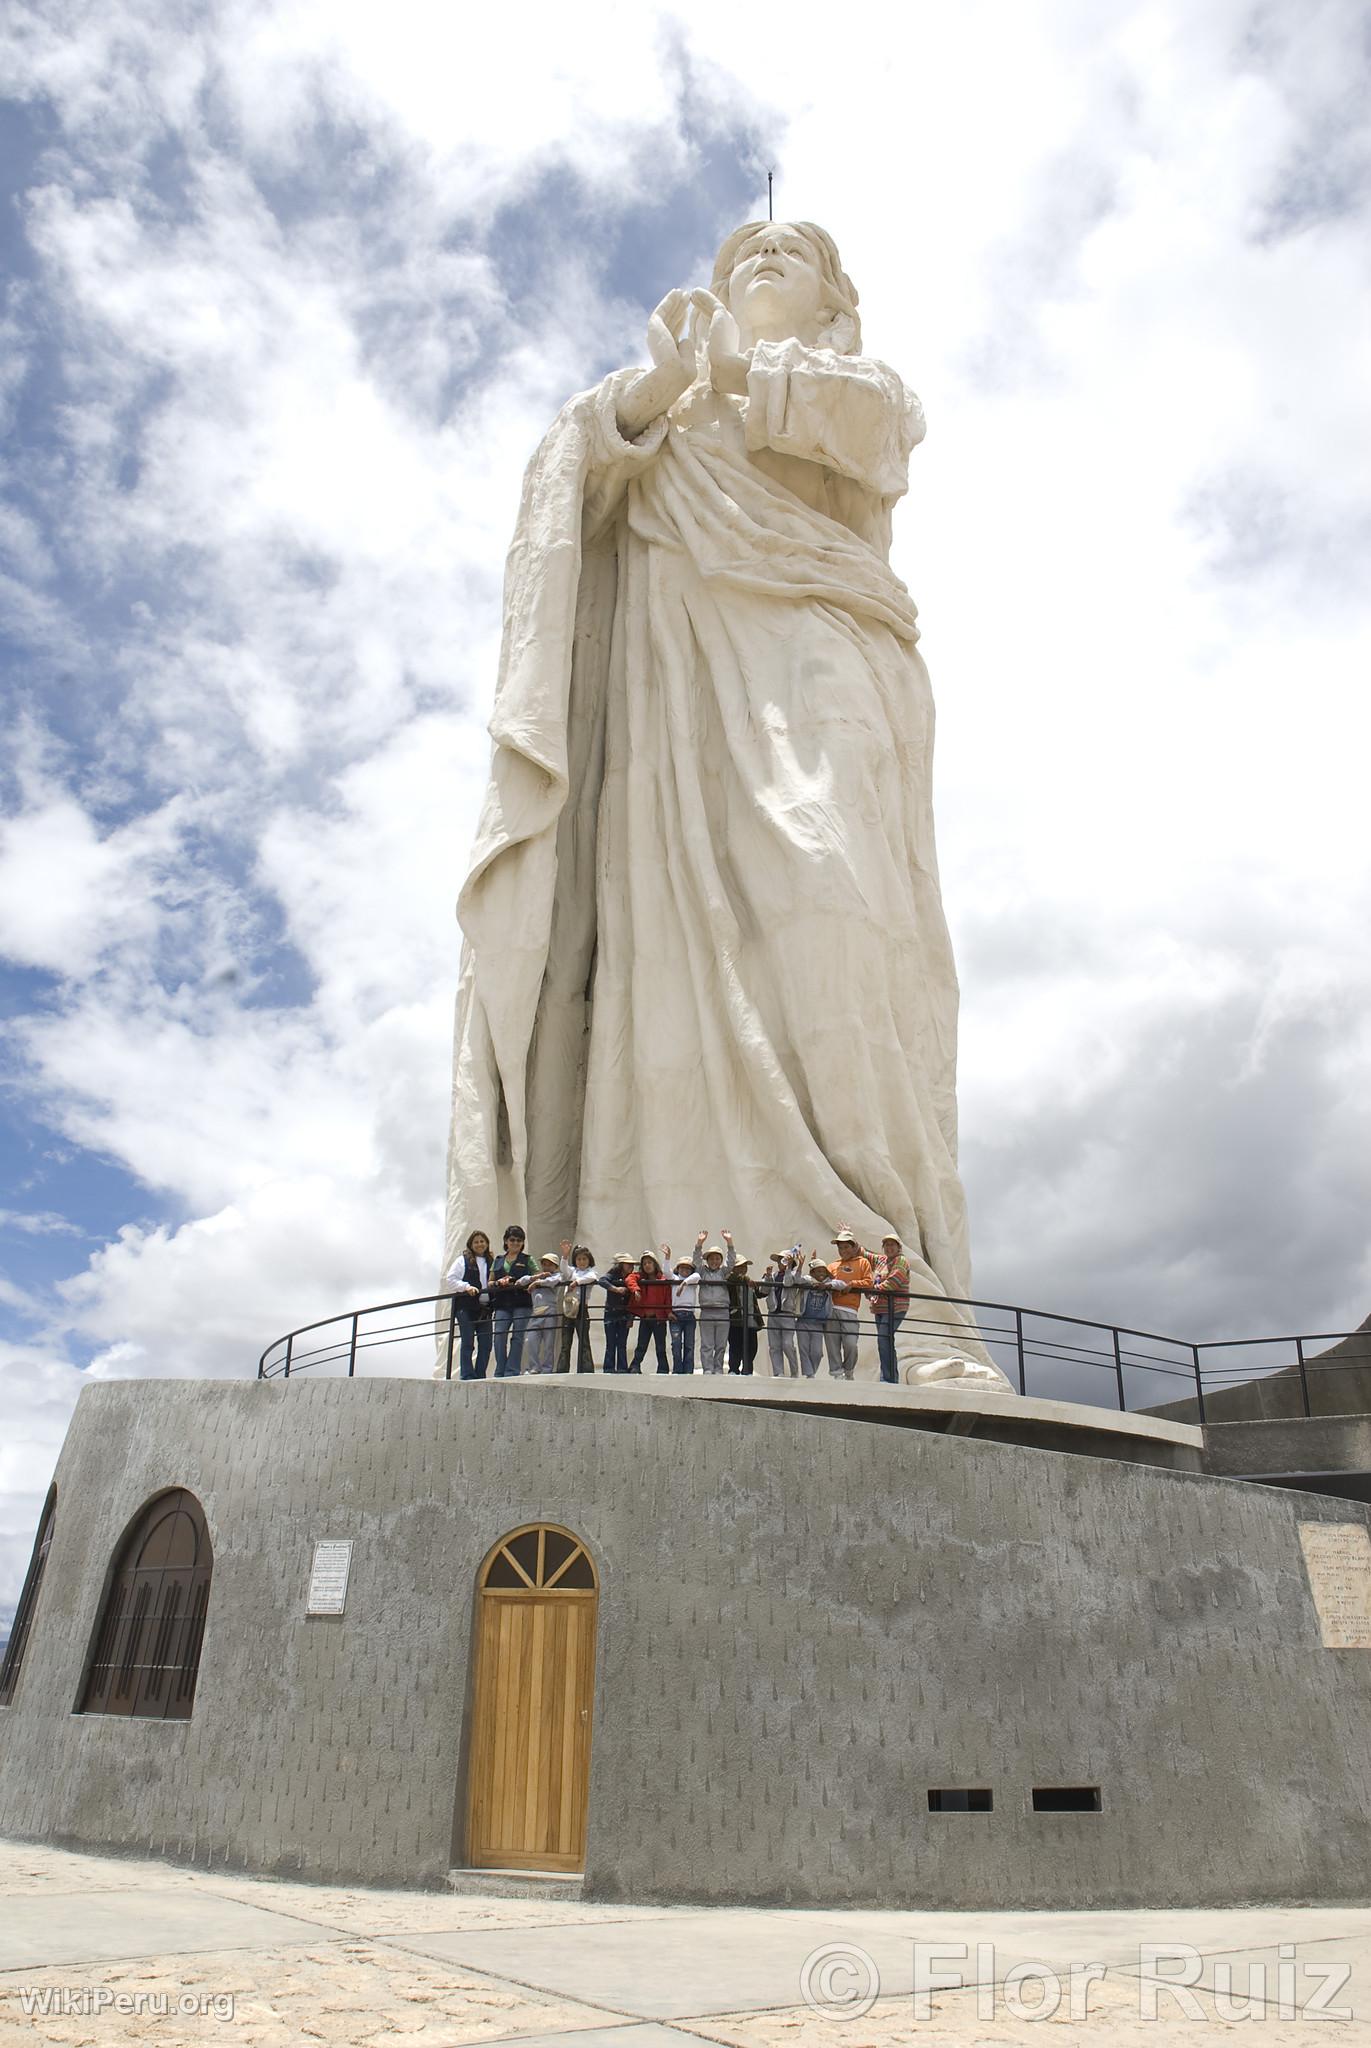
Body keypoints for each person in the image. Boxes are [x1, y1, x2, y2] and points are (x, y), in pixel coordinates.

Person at [446, 218, 997, 1392]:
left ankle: (890, 1283)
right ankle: (642, 1261)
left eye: (791, 253)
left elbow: (878, 436)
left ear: (833, 299)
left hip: (823, 655)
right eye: (746, 253)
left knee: (833, 909)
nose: (762, 259)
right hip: (669, 710)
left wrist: (734, 370)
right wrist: (646, 395)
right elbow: (574, 481)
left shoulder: (854, 385)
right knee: (657, 961)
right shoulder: (664, 406)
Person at [445, 1229, 495, 1380]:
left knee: (486, 1344)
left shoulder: (492, 1262)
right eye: (476, 1242)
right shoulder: (462, 1260)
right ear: (471, 1245)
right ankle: (467, 1375)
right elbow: (451, 1279)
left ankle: (480, 1375)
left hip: (485, 1308)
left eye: (482, 1241)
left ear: (487, 1243)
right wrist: (466, 1287)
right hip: (466, 1307)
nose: (479, 1244)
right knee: (467, 1342)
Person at [826, 1228, 873, 1379]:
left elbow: (869, 1282)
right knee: (832, 1343)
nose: (843, 1250)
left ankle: (849, 1370)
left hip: (850, 1310)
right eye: (840, 1248)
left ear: (853, 1247)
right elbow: (824, 1281)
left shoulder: (862, 1262)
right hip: (831, 1308)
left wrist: (852, 1284)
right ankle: (837, 1374)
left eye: (846, 1247)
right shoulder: (832, 1265)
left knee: (851, 1344)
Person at [489, 1225, 535, 1377]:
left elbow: (537, 1277)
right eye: (512, 1240)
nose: (515, 1243)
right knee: (499, 1336)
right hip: (502, 1304)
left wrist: (521, 1282)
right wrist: (498, 1282)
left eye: (519, 1240)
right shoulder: (498, 1261)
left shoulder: (528, 1260)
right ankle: (500, 1369)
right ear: (506, 1241)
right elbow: (490, 1282)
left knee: (518, 1337)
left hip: (522, 1303)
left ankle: (512, 1370)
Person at [870, 1230, 912, 1385]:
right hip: (880, 1308)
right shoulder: (882, 1261)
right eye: (886, 1245)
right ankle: (890, 1377)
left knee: (884, 1339)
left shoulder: (901, 1261)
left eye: (892, 1245)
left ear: (899, 1247)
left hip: (895, 1307)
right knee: (885, 1341)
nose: (889, 1248)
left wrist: (874, 1289)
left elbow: (894, 1282)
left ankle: (888, 1378)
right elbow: (865, 1255)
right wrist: (849, 1237)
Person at [525, 1244, 573, 1374]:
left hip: (549, 1310)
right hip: (536, 1311)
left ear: (555, 1266)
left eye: (549, 1264)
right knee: (531, 1341)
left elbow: (553, 1281)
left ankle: (547, 1368)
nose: (546, 1267)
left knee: (548, 1343)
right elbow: (521, 1281)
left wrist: (537, 1283)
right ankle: (534, 1366)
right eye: (544, 1264)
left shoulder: (557, 1276)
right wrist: (534, 1278)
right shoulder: (539, 1276)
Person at [692, 1232, 735, 1374]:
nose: (714, 1261)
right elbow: (696, 1261)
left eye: (717, 1258)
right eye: (711, 1258)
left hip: (722, 1311)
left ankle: (718, 1368)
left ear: (721, 1260)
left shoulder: (723, 1272)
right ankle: (708, 1368)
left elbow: (731, 1262)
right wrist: (699, 1244)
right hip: (707, 1311)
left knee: (721, 1344)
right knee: (707, 1343)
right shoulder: (702, 1272)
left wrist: (729, 1243)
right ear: (707, 1260)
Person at [627, 1249, 673, 1373]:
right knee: (641, 1345)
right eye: (644, 1263)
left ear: (654, 1264)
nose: (647, 1265)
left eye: (649, 1262)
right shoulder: (640, 1278)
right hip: (645, 1318)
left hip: (658, 1318)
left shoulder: (662, 1280)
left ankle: (663, 1369)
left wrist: (669, 1312)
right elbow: (629, 1278)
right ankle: (635, 1366)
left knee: (660, 1347)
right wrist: (635, 1289)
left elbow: (667, 1299)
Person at [762, 1246, 804, 1378]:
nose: (781, 1263)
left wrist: (789, 1269)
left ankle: (794, 1371)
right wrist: (768, 1277)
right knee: (774, 1346)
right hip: (773, 1312)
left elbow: (788, 1283)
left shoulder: (793, 1275)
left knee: (787, 1344)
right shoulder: (774, 1276)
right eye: (780, 1261)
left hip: (787, 1314)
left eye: (785, 1260)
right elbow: (764, 1291)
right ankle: (778, 1372)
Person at [558, 1246, 599, 1374]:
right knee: (565, 1342)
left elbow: (592, 1278)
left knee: (584, 1340)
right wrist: (565, 1256)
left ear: (589, 1260)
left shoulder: (591, 1272)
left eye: (584, 1259)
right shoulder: (572, 1271)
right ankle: (562, 1369)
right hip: (569, 1307)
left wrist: (577, 1282)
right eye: (579, 1259)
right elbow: (564, 1270)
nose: (581, 1262)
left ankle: (586, 1369)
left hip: (581, 1308)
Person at [796, 1259, 834, 1378]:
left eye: (823, 1271)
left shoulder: (829, 1284)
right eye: (818, 1271)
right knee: (803, 1349)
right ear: (812, 1272)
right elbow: (797, 1280)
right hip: (803, 1321)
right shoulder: (807, 1281)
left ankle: (811, 1371)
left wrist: (825, 1284)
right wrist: (800, 1266)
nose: (821, 1273)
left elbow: (839, 1282)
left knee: (817, 1352)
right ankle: (809, 1374)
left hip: (818, 1323)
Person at [600, 1255, 635, 1374]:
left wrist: (631, 1317)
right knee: (610, 1343)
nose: (631, 1266)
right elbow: (602, 1280)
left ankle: (622, 1367)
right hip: (611, 1313)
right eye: (627, 1264)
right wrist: (616, 1289)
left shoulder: (632, 1278)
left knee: (622, 1343)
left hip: (624, 1314)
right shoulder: (612, 1275)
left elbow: (633, 1301)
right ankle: (609, 1367)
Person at [727, 1257, 761, 1375]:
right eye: (740, 1266)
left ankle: (747, 1369)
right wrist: (746, 1279)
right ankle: (733, 1369)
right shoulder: (732, 1279)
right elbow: (731, 1277)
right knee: (735, 1345)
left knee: (752, 1347)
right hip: (736, 1319)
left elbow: (760, 1293)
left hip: (751, 1319)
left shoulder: (748, 1282)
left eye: (744, 1266)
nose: (743, 1269)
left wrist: (767, 1278)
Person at [670, 1257, 699, 1373]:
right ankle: (677, 1369)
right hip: (676, 1315)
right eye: (682, 1267)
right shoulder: (674, 1278)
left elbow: (697, 1276)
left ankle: (688, 1370)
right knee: (676, 1344)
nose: (685, 1270)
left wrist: (684, 1283)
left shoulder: (692, 1281)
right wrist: (667, 1258)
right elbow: (666, 1272)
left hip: (689, 1315)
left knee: (689, 1345)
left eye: (688, 1268)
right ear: (678, 1269)